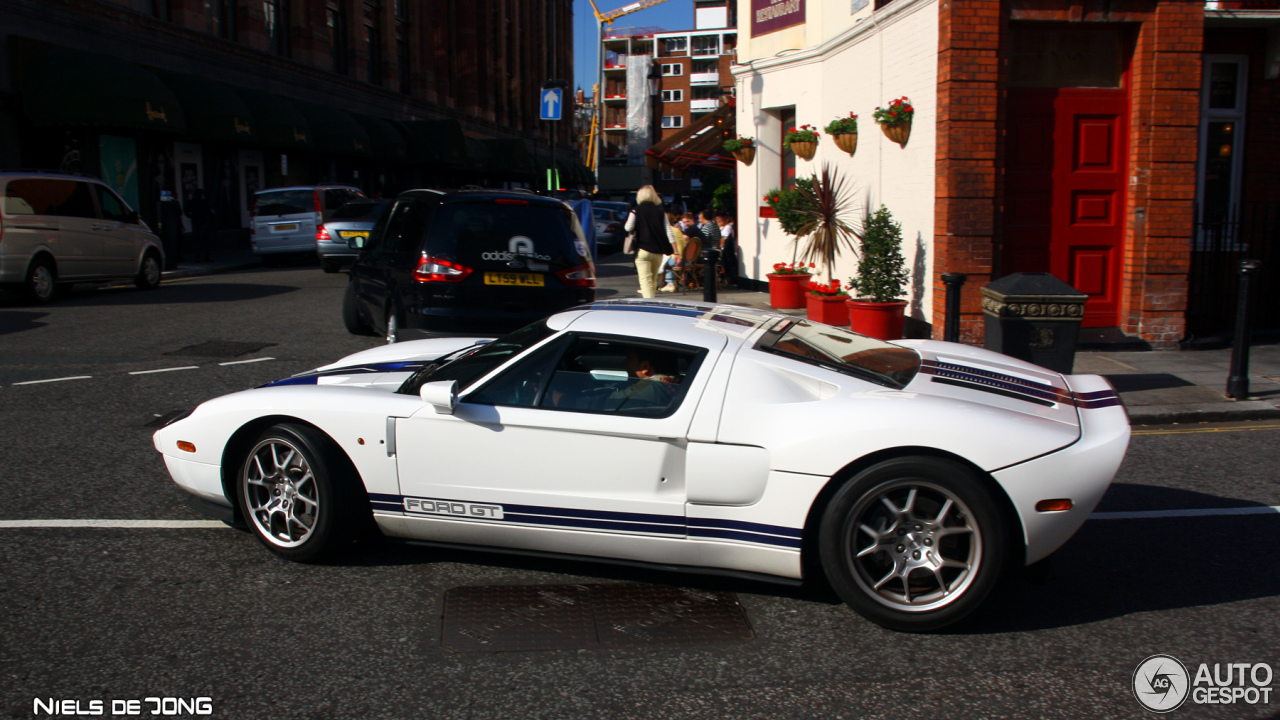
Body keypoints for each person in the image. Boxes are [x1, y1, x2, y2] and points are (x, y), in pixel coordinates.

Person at [624, 185, 673, 298]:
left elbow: (628, 227)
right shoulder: (661, 212)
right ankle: (652, 301)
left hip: (642, 250)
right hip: (658, 251)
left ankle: (649, 304)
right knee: (653, 280)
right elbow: (669, 231)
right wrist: (674, 250)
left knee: (645, 281)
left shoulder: (636, 210)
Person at [184, 188, 214, 263]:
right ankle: (206, 257)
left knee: (197, 241)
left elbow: (186, 212)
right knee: (206, 241)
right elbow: (210, 213)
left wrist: (192, 217)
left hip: (196, 223)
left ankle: (198, 257)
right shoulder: (204, 202)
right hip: (204, 223)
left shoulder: (192, 202)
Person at [716, 211, 738, 285]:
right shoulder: (721, 228)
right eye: (717, 219)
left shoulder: (728, 227)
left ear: (725, 218)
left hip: (725, 252)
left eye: (719, 219)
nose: (718, 221)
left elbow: (724, 240)